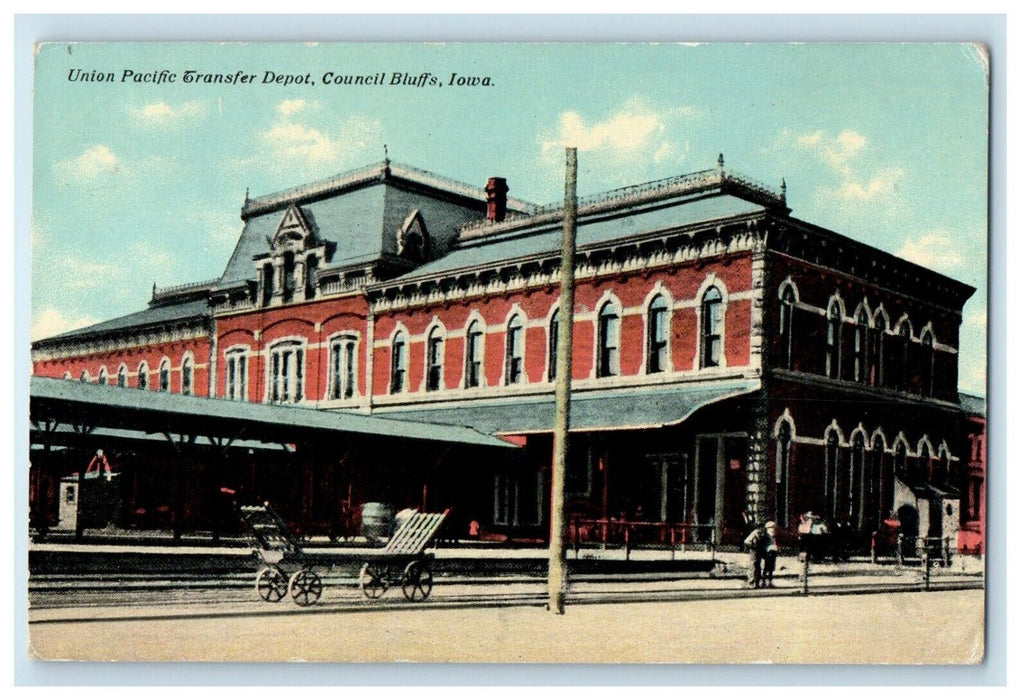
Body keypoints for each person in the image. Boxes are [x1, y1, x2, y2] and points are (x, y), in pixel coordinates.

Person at [743, 522, 770, 588]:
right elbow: (746, 541)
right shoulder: (755, 533)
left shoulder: (765, 534)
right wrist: (753, 546)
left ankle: (757, 582)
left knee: (758, 566)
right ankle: (751, 582)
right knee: (754, 565)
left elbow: (767, 541)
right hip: (754, 550)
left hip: (760, 550)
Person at [762, 521, 779, 587]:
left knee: (771, 568)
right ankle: (763, 582)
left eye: (774, 528)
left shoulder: (773, 537)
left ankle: (770, 582)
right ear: (768, 529)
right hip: (768, 553)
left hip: (773, 553)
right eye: (772, 528)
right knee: (766, 568)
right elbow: (764, 545)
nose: (773, 529)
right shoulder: (766, 536)